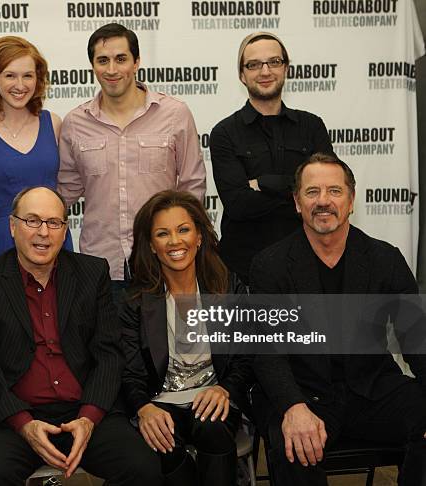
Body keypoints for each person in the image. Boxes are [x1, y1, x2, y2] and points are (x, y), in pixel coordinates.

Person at [0, 186, 163, 486]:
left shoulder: (92, 273)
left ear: (65, 230)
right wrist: (23, 424)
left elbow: (109, 354)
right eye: (32, 221)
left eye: (53, 222)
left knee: (143, 468)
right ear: (13, 227)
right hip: (14, 415)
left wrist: (89, 418)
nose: (44, 232)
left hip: (83, 409)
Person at [249, 153, 426, 485]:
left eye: (334, 191)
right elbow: (266, 352)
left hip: (371, 390)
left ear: (351, 200)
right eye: (312, 192)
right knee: (294, 448)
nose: (323, 201)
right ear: (297, 202)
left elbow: (416, 339)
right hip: (304, 392)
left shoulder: (384, 259)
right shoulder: (269, 265)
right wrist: (293, 406)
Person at [58, 23, 206, 303]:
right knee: (107, 345)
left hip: (162, 260)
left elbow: (192, 187)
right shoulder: (75, 123)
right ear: (92, 65)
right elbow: (65, 191)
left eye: (121, 59)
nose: (112, 70)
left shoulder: (175, 114)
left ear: (137, 62)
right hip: (100, 264)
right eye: (103, 60)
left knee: (165, 346)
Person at [120, 190, 253, 485]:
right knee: (162, 440)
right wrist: (144, 408)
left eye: (183, 230)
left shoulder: (228, 286)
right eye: (163, 234)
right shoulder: (135, 300)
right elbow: (128, 371)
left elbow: (245, 357)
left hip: (213, 397)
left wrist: (225, 390)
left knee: (212, 427)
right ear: (152, 245)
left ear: (199, 237)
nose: (175, 242)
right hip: (159, 402)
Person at [210, 32, 335, 285]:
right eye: (254, 65)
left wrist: (264, 182)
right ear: (242, 75)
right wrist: (298, 191)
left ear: (286, 68)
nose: (265, 71)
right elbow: (237, 204)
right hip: (245, 273)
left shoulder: (312, 126)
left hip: (307, 265)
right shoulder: (224, 133)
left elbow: (325, 194)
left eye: (274, 62)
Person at [0, 36, 72, 260]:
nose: (20, 85)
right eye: (10, 75)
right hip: (6, 245)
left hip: (55, 243)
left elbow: (71, 184)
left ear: (37, 79)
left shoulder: (54, 124)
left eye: (28, 76)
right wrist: (1, 223)